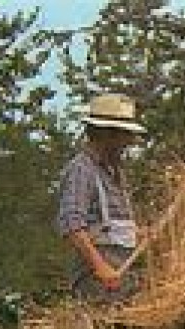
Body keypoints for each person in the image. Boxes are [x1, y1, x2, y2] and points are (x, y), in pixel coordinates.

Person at [55, 92, 148, 303]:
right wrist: (100, 267)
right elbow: (72, 225)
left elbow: (113, 228)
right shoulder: (82, 169)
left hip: (125, 281)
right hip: (98, 286)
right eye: (125, 135)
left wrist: (139, 234)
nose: (129, 142)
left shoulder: (115, 174)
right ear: (106, 134)